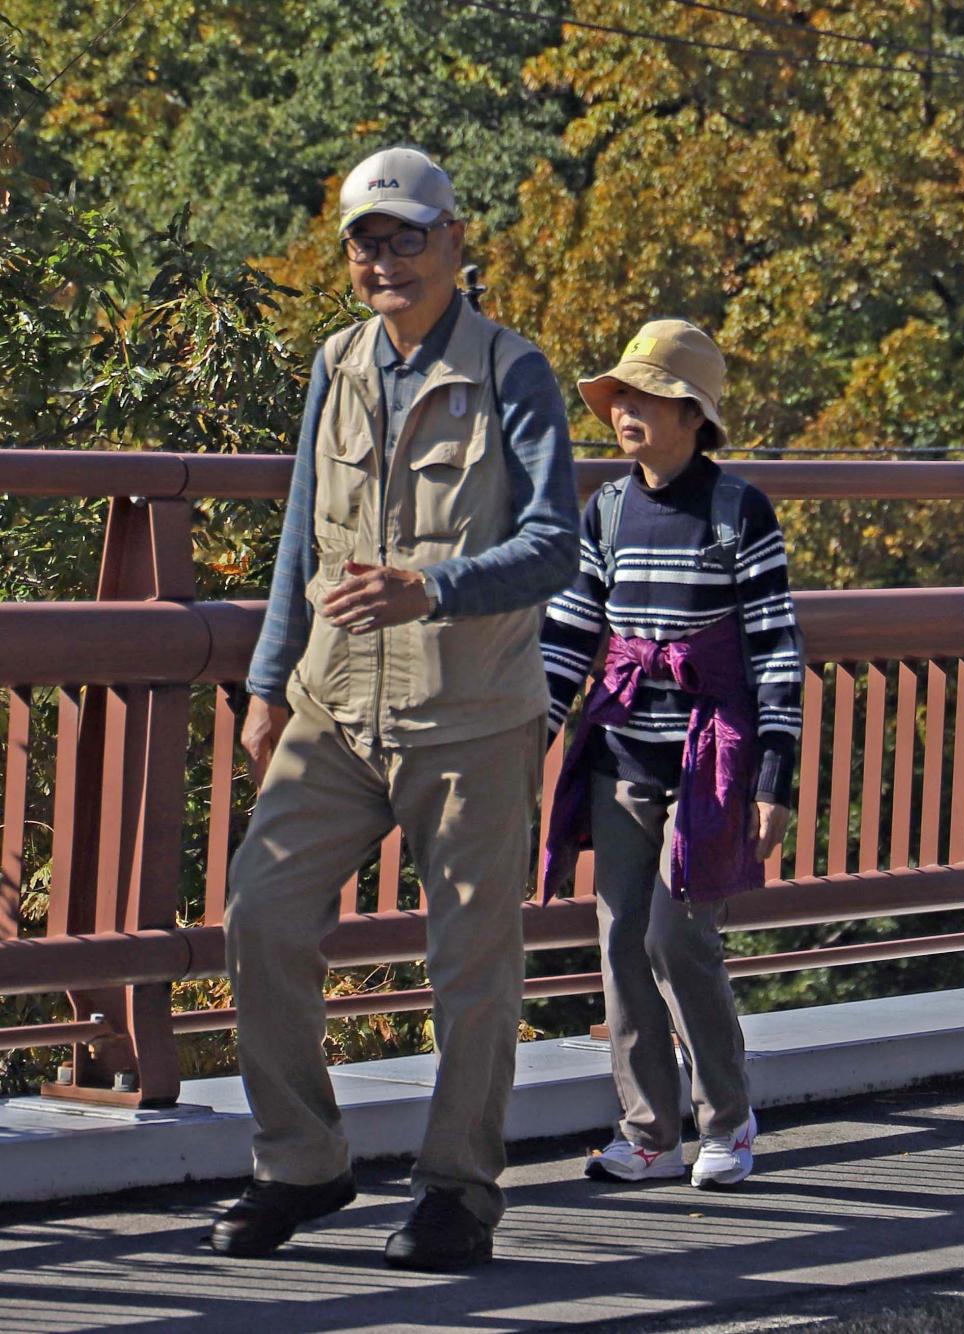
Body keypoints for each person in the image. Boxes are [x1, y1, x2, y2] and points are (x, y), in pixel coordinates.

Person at [210, 146, 579, 1270]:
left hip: (469, 713)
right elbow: (296, 541)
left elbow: (556, 545)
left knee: (471, 967)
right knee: (260, 917)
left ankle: (458, 1190)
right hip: (331, 703)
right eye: (365, 242)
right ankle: (301, 1162)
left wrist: (435, 586)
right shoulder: (335, 362)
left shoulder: (514, 372)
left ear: (454, 243)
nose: (383, 260)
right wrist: (270, 680)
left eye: (405, 237)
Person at [539, 320, 803, 1188]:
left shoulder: (739, 512)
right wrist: (535, 728)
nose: (624, 412)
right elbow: (574, 627)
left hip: (709, 760)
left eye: (644, 398)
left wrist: (776, 775)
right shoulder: (606, 509)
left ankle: (728, 1119)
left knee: (676, 938)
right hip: (623, 752)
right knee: (618, 939)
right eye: (620, 398)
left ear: (692, 415)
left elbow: (774, 647)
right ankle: (649, 1133)